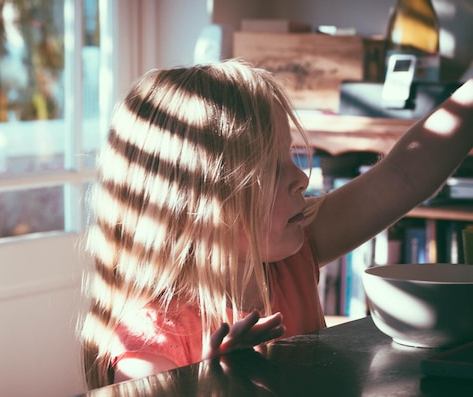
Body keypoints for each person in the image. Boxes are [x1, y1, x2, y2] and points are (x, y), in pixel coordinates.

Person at [79, 58, 473, 389]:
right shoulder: (148, 348)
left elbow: (403, 175)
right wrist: (210, 385)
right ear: (197, 205)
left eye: (291, 157)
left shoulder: (292, 254)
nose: (302, 178)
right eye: (270, 167)